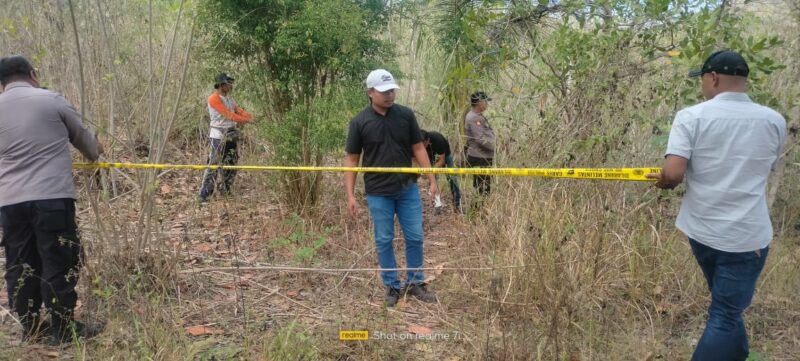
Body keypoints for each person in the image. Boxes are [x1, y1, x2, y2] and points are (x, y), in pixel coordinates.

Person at [647, 50, 786, 361]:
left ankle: (737, 354)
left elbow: (672, 175)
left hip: (703, 233)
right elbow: (764, 166)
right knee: (726, 311)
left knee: (725, 313)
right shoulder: (774, 120)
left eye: (703, 80)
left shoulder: (692, 116)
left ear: (713, 78)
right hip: (746, 236)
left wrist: (661, 180)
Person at [0, 55, 104, 345]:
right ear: (33, 74)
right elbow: (88, 146)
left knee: (20, 264)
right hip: (52, 199)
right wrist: (98, 147)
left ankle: (30, 329)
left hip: (9, 202)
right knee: (58, 260)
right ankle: (62, 328)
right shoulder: (51, 100)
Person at [344, 69, 440, 307]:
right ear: (370, 92)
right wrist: (350, 195)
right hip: (378, 193)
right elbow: (352, 159)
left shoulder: (406, 116)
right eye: (384, 91)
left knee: (415, 236)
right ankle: (392, 285)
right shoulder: (360, 122)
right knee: (384, 239)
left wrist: (431, 178)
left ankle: (415, 282)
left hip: (407, 189)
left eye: (392, 91)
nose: (390, 95)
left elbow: (418, 148)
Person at [198, 73, 253, 203]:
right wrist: (246, 120)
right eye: (228, 83)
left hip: (230, 133)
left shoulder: (230, 100)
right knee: (213, 165)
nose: (230, 86)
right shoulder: (213, 98)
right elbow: (229, 115)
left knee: (231, 162)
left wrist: (250, 116)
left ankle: (225, 190)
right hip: (218, 135)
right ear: (221, 84)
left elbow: (238, 111)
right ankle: (204, 196)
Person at [421, 129, 462, 212]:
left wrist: (430, 170)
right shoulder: (419, 144)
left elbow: (441, 160)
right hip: (431, 157)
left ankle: (457, 203)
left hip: (445, 156)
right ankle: (438, 203)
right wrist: (424, 172)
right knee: (432, 179)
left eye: (423, 144)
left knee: (452, 178)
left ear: (428, 140)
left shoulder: (437, 140)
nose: (422, 146)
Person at [464, 91, 495, 196]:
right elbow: (480, 139)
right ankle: (478, 210)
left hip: (482, 155)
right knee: (482, 188)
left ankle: (479, 209)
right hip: (480, 157)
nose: (487, 104)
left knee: (481, 186)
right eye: (486, 101)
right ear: (480, 102)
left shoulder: (476, 115)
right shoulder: (474, 118)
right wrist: (495, 147)